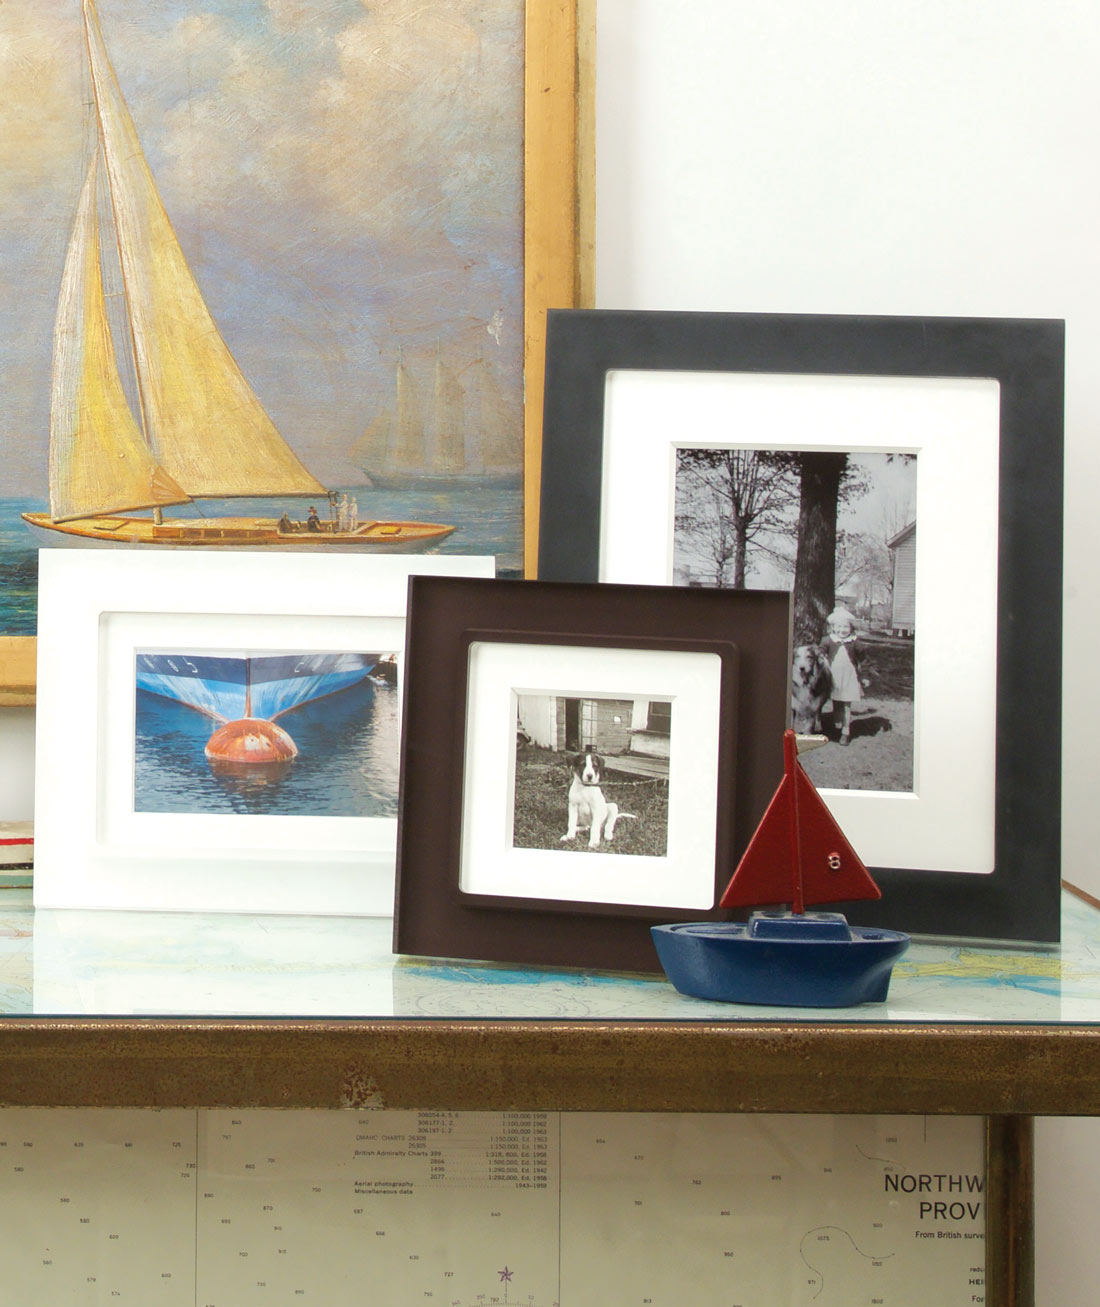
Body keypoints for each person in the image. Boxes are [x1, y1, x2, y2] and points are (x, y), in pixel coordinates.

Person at [820, 607, 866, 746]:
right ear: (833, 627)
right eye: (839, 626)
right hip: (834, 677)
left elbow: (863, 657)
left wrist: (864, 674)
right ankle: (837, 726)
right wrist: (823, 658)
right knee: (836, 702)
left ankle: (845, 732)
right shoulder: (828, 640)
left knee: (846, 704)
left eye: (846, 626)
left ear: (851, 628)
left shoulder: (854, 642)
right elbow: (821, 651)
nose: (842, 630)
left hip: (849, 677)